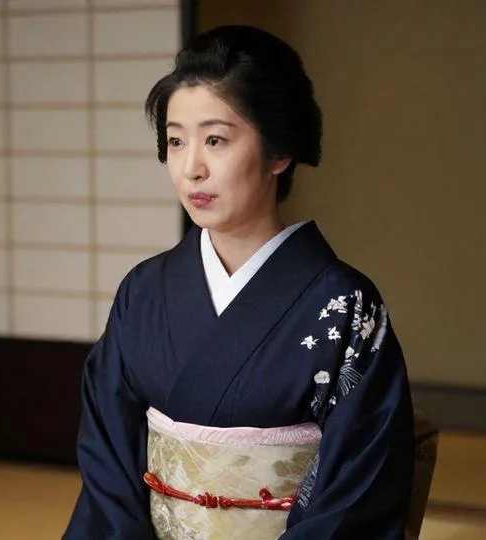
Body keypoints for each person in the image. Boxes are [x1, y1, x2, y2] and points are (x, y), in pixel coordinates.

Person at [64, 24, 415, 539]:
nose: (191, 168)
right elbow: (108, 467)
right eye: (176, 141)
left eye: (216, 140)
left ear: (279, 152)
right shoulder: (142, 291)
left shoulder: (345, 305)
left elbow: (358, 489)